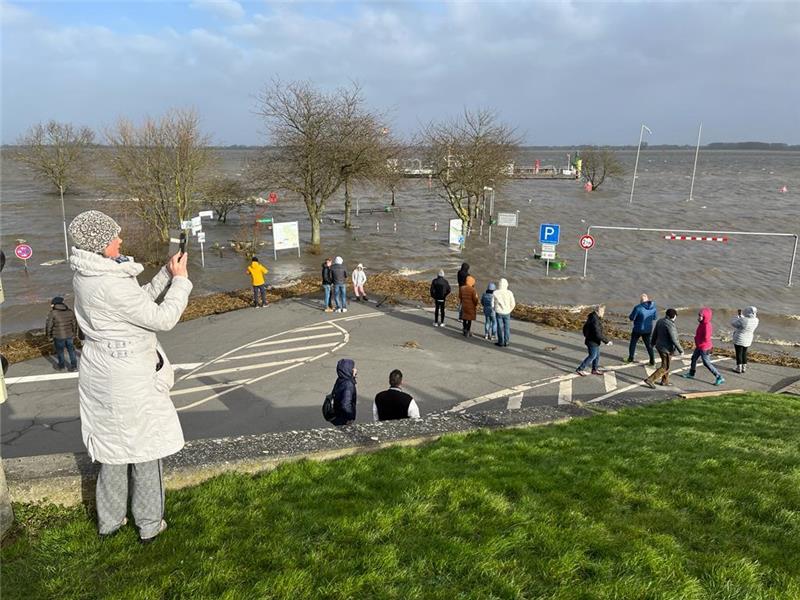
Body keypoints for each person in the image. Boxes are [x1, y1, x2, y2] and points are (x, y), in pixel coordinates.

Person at [68, 210, 192, 543]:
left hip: (102, 370)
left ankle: (110, 522)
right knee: (146, 451)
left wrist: (165, 274)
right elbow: (162, 318)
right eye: (114, 237)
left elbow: (137, 304)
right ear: (100, 244)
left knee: (112, 451)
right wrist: (181, 281)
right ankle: (150, 524)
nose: (120, 240)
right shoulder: (110, 284)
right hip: (128, 377)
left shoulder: (88, 274)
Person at [681, 308, 725, 385]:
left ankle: (719, 377)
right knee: (693, 358)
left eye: (700, 316)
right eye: (699, 315)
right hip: (699, 346)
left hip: (704, 347)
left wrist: (699, 340)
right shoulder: (702, 323)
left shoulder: (706, 326)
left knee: (706, 363)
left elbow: (706, 338)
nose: (698, 317)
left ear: (705, 317)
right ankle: (691, 373)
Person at [644, 308, 683, 388]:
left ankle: (664, 381)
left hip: (660, 346)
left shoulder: (660, 321)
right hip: (666, 349)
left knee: (666, 364)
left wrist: (652, 343)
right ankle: (650, 379)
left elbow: (655, 333)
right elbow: (674, 339)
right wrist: (681, 350)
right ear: (674, 316)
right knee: (665, 367)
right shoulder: (670, 325)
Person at [576, 305, 612, 376]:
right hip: (592, 341)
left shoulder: (593, 317)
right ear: (599, 311)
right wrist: (606, 341)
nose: (604, 313)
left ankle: (594, 369)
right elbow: (598, 333)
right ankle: (580, 369)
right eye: (603, 311)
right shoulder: (595, 320)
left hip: (593, 340)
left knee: (597, 355)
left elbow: (585, 328)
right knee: (592, 356)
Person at [45, 296, 79, 371]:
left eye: (52, 304)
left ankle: (61, 366)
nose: (51, 305)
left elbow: (49, 326)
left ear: (55, 304)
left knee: (60, 351)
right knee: (71, 350)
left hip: (58, 336)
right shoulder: (70, 311)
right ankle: (74, 366)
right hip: (69, 335)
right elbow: (74, 324)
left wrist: (48, 336)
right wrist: (74, 334)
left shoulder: (53, 313)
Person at [627, 293, 657, 365]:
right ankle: (652, 361)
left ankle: (631, 358)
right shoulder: (653, 308)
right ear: (647, 300)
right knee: (648, 345)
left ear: (641, 300)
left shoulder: (638, 308)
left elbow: (632, 318)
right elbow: (655, 318)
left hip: (638, 329)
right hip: (648, 329)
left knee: (633, 343)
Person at [731, 306, 759, 373]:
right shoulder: (756, 320)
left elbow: (733, 323)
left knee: (739, 353)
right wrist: (741, 318)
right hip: (748, 339)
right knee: (744, 353)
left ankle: (738, 368)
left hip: (739, 338)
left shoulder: (743, 320)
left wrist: (737, 317)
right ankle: (744, 367)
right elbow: (746, 322)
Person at [331, 358, 357, 426]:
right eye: (353, 367)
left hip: (337, 415)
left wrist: (353, 377)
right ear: (348, 369)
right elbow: (345, 404)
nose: (355, 369)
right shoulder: (349, 385)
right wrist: (350, 418)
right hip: (344, 418)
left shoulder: (341, 379)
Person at [492, 278, 516, 347]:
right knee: (507, 328)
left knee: (499, 327)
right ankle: (506, 341)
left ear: (499, 284)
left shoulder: (495, 292)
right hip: (507, 312)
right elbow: (513, 304)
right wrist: (509, 310)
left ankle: (500, 342)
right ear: (506, 284)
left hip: (498, 312)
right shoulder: (509, 292)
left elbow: (492, 304)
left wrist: (495, 309)